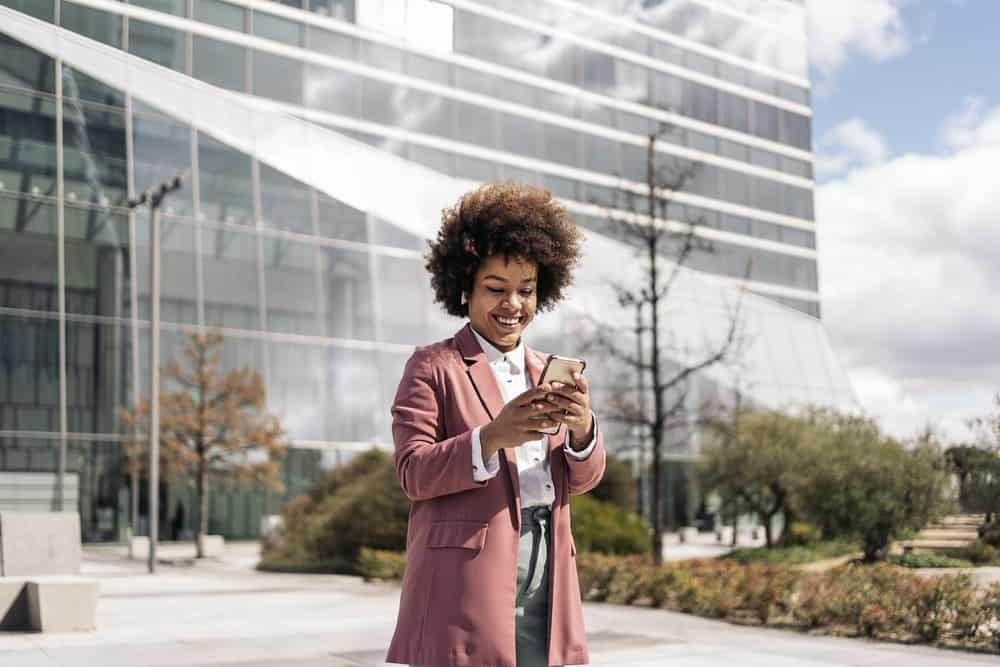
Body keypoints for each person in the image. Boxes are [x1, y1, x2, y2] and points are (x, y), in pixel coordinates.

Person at [385, 182, 606, 667]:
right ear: (464, 288)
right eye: (496, 289)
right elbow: (412, 473)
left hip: (550, 560)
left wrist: (583, 431)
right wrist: (490, 439)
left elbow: (582, 480)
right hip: (467, 572)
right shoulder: (432, 366)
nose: (513, 305)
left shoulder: (547, 370)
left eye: (525, 290)